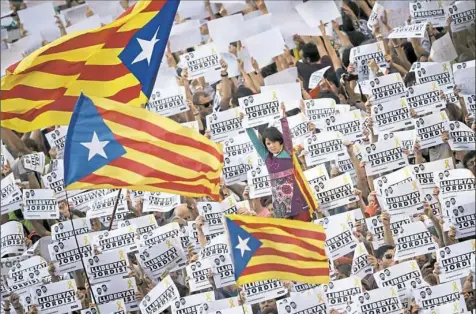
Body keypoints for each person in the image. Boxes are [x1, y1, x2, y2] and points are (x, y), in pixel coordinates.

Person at [242, 104, 311, 221]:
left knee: (306, 233)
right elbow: (254, 140)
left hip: (297, 202)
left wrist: (283, 117)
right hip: (281, 207)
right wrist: (244, 122)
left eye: (274, 142)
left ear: (279, 141)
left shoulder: (287, 152)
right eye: (268, 144)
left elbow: (287, 133)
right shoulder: (266, 157)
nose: (272, 145)